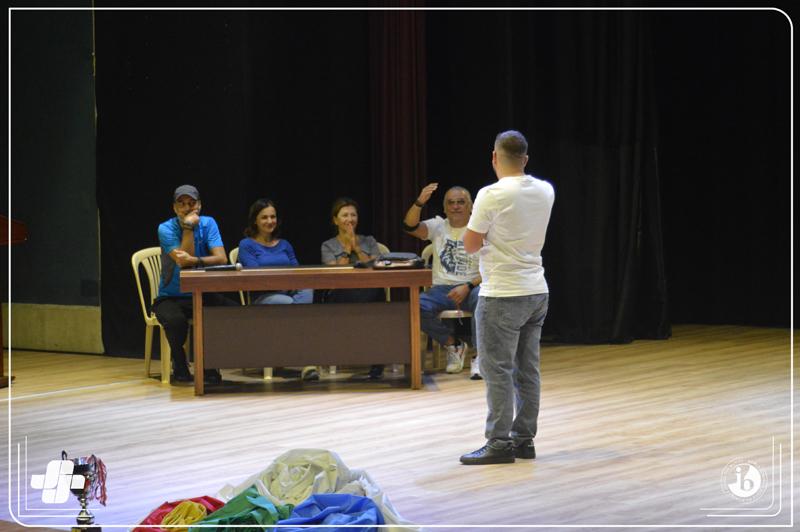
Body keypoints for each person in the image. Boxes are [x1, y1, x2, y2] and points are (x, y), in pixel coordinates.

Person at [459, 130, 555, 465]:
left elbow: (470, 244)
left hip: (502, 292)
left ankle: (499, 443)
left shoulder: (491, 194)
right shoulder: (546, 189)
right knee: (528, 370)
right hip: (536, 289)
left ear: (494, 157)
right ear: (525, 159)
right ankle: (524, 440)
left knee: (497, 370)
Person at [153, 184, 232, 385]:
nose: (187, 208)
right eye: (182, 204)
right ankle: (179, 360)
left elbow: (221, 258)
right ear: (174, 208)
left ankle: (209, 364)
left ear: (200, 205)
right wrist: (188, 227)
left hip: (202, 291)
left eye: (192, 203)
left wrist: (196, 260)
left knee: (229, 312)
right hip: (171, 296)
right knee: (175, 321)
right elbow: (183, 263)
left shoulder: (208, 223)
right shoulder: (165, 228)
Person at [403, 184, 483, 379]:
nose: (455, 206)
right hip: (441, 290)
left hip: (473, 287)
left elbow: (493, 268)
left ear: (471, 206)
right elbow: (409, 226)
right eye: (451, 203)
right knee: (415, 306)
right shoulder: (438, 226)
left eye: (461, 202)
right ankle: (453, 345)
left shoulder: (481, 229)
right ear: (445, 208)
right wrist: (419, 202)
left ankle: (481, 356)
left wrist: (468, 286)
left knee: (485, 300)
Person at [237, 198, 317, 381]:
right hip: (264, 297)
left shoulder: (285, 244)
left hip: (290, 293)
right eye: (264, 217)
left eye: (272, 217)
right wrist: (286, 284)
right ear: (255, 221)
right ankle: (307, 362)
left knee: (307, 289)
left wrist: (291, 284)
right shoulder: (247, 245)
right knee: (300, 310)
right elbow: (256, 277)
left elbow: (298, 272)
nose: (270, 221)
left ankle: (300, 358)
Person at [321, 197, 385, 379]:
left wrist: (358, 248)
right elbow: (335, 274)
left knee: (377, 298)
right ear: (335, 220)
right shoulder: (328, 245)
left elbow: (375, 267)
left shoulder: (369, 241)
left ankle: (378, 361)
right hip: (341, 292)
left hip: (369, 290)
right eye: (345, 215)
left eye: (353, 215)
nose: (350, 219)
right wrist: (348, 248)